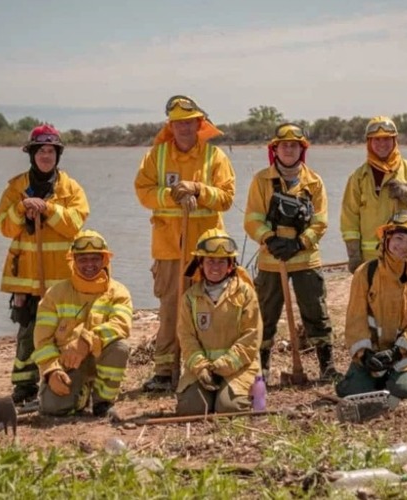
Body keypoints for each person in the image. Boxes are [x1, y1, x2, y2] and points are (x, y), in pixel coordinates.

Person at [134, 95, 235, 392]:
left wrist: (199, 190)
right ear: (171, 126)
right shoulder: (158, 155)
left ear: (198, 125)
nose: (184, 129)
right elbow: (143, 191)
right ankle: (165, 371)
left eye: (189, 123)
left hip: (208, 251)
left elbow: (227, 197)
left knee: (208, 309)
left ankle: (204, 368)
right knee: (170, 309)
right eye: (178, 124)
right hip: (168, 248)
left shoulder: (215, 157)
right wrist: (171, 195)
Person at [0, 124, 90, 405]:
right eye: (41, 151)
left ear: (57, 155)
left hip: (61, 278)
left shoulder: (70, 187)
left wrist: (48, 209)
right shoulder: (15, 188)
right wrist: (21, 209)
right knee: (27, 333)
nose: (46, 156)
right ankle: (23, 388)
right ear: (32, 154)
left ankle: (55, 381)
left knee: (60, 331)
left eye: (51, 151)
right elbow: (3, 226)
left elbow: (75, 225)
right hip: (25, 278)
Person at [243, 123, 337, 381]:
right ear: (275, 149)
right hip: (272, 261)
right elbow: (252, 218)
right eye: (284, 145)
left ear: (302, 150)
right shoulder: (261, 180)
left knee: (316, 312)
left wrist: (299, 243)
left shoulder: (314, 182)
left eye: (294, 145)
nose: (288, 150)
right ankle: (261, 369)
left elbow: (320, 221)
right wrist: (269, 239)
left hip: (306, 259)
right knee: (266, 314)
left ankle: (326, 365)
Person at [336, 210, 407, 399]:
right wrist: (364, 355)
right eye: (398, 238)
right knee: (354, 392)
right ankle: (374, 378)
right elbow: (355, 318)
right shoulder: (365, 273)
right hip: (371, 353)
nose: (403, 246)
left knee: (403, 391)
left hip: (404, 356)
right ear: (386, 238)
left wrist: (397, 352)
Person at [32, 230, 131, 417]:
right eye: (83, 259)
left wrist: (85, 342)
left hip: (99, 358)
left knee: (120, 347)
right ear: (73, 261)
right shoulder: (55, 294)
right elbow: (42, 341)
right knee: (53, 409)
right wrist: (51, 370)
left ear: (105, 260)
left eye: (95, 259)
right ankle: (82, 395)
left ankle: (103, 401)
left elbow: (121, 325)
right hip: (67, 362)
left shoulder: (119, 292)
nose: (89, 265)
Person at [175, 229, 262, 415]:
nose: (216, 267)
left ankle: (240, 395)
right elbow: (186, 338)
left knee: (228, 409)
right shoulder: (190, 298)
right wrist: (202, 368)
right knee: (191, 410)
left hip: (238, 367)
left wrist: (223, 365)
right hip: (203, 370)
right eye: (210, 261)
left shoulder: (245, 293)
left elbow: (251, 336)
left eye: (222, 261)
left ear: (230, 265)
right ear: (201, 264)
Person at [341, 116, 407, 272]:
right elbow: (349, 218)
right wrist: (353, 255)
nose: (382, 144)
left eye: (387, 139)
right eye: (376, 140)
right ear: (369, 142)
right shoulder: (358, 177)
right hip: (372, 258)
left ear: (395, 140)